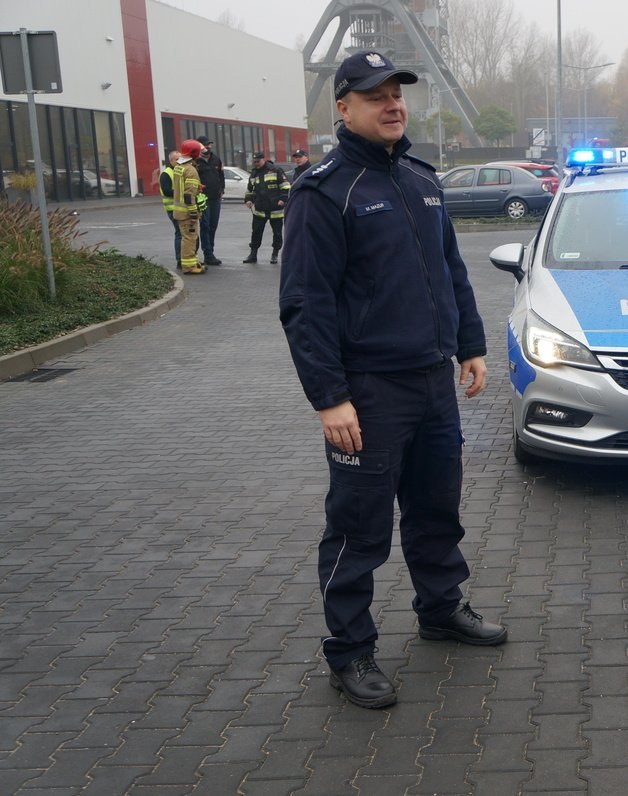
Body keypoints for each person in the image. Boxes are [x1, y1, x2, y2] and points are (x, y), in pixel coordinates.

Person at [279, 50, 504, 710]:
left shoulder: (419, 179)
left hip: (433, 384)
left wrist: (469, 346)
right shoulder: (324, 192)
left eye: (397, 92)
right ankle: (349, 651)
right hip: (368, 393)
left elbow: (450, 270)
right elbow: (304, 302)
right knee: (358, 528)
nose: (391, 103)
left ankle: (441, 608)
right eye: (373, 94)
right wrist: (329, 398)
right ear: (342, 107)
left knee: (437, 512)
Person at [242, 151, 289, 264]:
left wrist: (283, 199)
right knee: (256, 232)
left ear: (264, 159)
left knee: (277, 233)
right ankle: (253, 254)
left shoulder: (275, 170)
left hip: (275, 208)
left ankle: (275, 254)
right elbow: (250, 189)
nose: (256, 163)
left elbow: (285, 185)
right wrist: (248, 200)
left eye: (258, 161)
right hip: (260, 209)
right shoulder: (254, 173)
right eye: (254, 162)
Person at [171, 139, 208, 275]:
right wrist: (193, 213)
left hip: (179, 211)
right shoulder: (191, 170)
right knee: (189, 238)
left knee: (189, 237)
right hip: (187, 213)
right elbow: (188, 195)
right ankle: (188, 266)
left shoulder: (179, 167)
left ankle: (193, 262)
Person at [194, 135, 225, 266]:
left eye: (209, 144)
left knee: (213, 225)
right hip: (203, 199)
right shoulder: (195, 161)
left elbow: (221, 176)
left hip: (215, 198)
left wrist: (221, 189)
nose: (208, 147)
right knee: (205, 226)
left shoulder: (216, 159)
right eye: (205, 145)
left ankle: (210, 252)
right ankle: (208, 253)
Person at [159, 150, 182, 269]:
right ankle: (180, 260)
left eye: (180, 159)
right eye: (176, 159)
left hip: (182, 208)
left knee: (185, 234)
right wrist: (181, 193)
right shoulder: (166, 174)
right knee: (180, 233)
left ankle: (186, 258)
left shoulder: (180, 171)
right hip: (173, 208)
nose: (179, 162)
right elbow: (167, 190)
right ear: (171, 161)